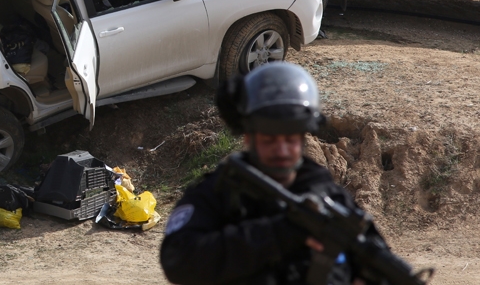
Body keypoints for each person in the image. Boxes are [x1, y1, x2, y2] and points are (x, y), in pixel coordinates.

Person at [160, 62, 396, 285]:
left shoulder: (325, 193)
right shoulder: (219, 192)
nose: (281, 150)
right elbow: (177, 260)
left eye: (290, 139)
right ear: (248, 137)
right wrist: (279, 232)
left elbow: (376, 260)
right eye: (269, 139)